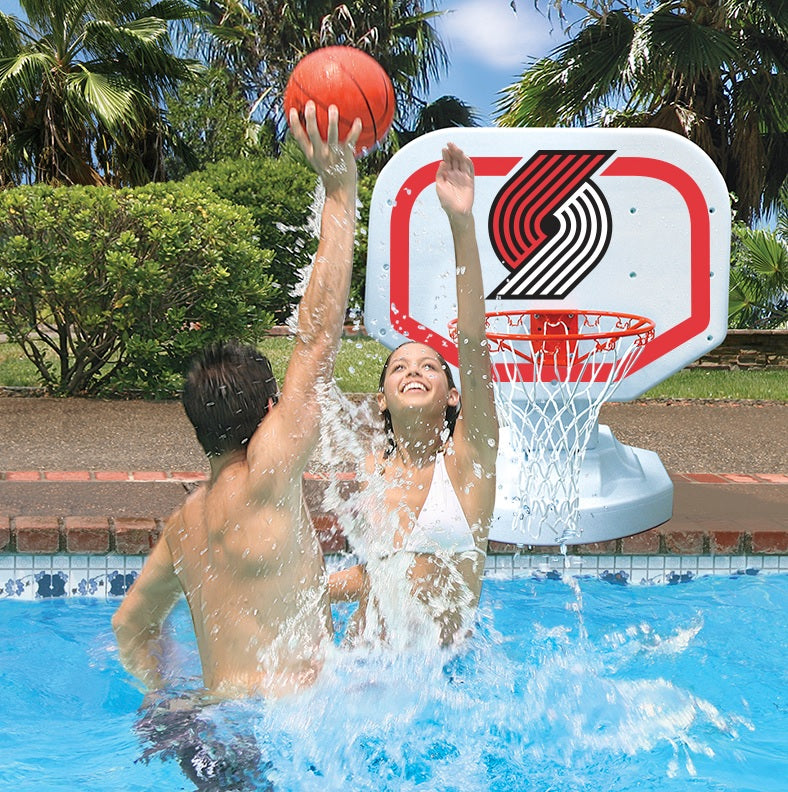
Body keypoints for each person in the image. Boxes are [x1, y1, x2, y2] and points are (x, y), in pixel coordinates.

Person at [112, 102, 361, 700]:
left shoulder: (184, 525)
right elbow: (319, 331)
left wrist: (164, 698)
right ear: (270, 409)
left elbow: (130, 626)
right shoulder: (268, 473)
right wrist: (340, 192)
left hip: (210, 727)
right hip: (280, 730)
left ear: (200, 429)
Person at [330, 142, 498, 648]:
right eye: (399, 366)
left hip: (442, 683)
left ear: (452, 394)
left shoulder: (471, 459)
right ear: (381, 398)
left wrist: (461, 225)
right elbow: (375, 579)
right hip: (363, 672)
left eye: (429, 366)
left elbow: (472, 343)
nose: (414, 370)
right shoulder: (371, 469)